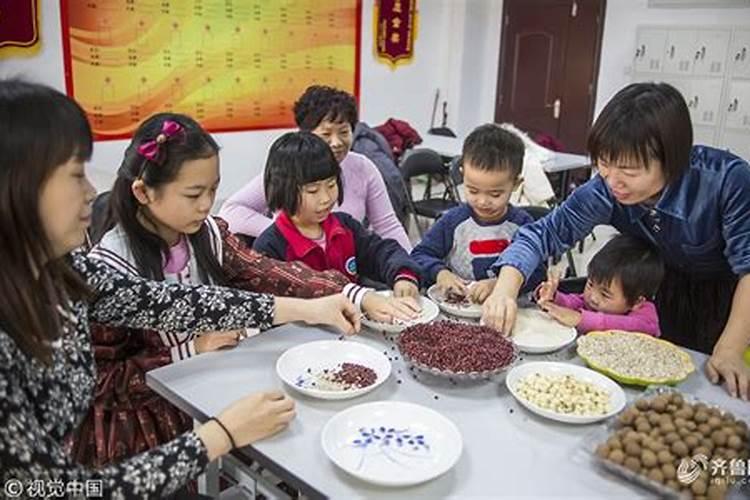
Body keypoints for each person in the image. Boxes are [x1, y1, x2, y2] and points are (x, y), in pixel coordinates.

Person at [0, 79, 360, 498]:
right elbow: (57, 489)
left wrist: (311, 307)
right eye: (76, 174)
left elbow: (180, 303)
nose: (89, 192)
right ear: (16, 185)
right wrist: (219, 434)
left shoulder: (63, 272)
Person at [67, 112, 374, 468]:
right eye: (194, 194)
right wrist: (189, 349)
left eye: (213, 189)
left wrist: (352, 294)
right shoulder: (109, 266)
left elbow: (264, 273)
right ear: (143, 191)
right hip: (145, 429)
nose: (207, 204)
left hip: (212, 390)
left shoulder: (208, 234)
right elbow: (102, 382)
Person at [481, 82, 750, 400]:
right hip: (652, 290)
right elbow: (543, 234)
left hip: (727, 303)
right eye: (604, 165)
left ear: (672, 160)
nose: (613, 182)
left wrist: (731, 347)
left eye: (629, 171)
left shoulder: (726, 181)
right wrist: (505, 291)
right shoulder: (606, 189)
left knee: (711, 389)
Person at [219, 85, 412, 251]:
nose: (336, 143)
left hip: (345, 268)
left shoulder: (363, 167)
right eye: (326, 134)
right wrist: (285, 233)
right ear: (306, 134)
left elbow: (387, 226)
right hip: (295, 269)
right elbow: (231, 211)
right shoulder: (288, 167)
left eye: (344, 132)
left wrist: (411, 266)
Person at [254, 132, 423, 304]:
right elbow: (275, 308)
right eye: (312, 191)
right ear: (283, 189)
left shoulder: (345, 226)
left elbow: (381, 252)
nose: (326, 198)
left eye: (331, 185)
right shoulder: (270, 246)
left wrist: (403, 275)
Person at [411, 124, 545, 304]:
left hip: (506, 311)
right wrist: (441, 274)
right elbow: (420, 255)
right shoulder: (453, 221)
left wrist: (500, 284)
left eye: (495, 194)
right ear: (462, 175)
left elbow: (538, 273)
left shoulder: (522, 225)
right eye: (473, 191)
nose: (482, 201)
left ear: (515, 184)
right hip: (458, 310)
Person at [536, 234, 664, 336]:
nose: (593, 297)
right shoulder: (592, 300)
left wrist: (581, 319)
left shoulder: (646, 317)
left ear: (637, 302)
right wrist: (552, 296)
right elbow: (574, 302)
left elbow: (634, 327)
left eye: (605, 294)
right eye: (590, 284)